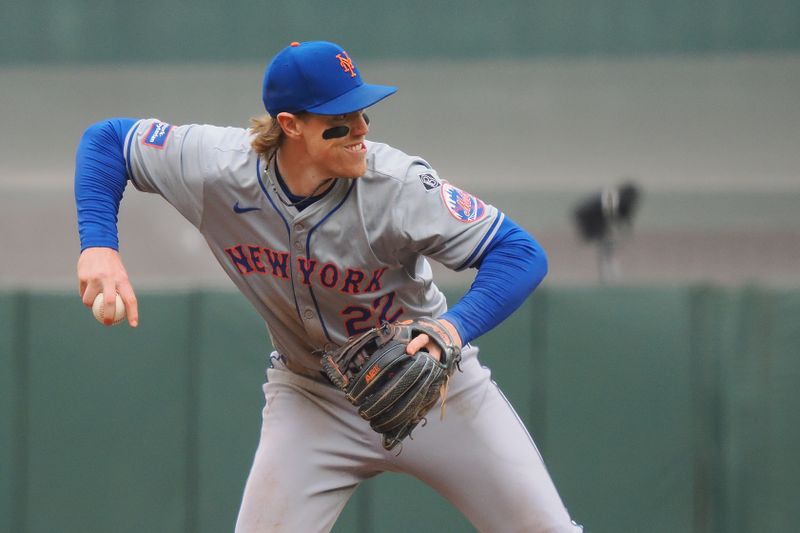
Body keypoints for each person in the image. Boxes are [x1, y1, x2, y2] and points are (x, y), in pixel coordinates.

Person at [75, 40, 583, 532]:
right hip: (311, 398)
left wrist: (454, 327)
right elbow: (107, 139)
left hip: (432, 386)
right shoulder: (216, 167)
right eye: (340, 119)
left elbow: (520, 253)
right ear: (290, 125)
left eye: (364, 111)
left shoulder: (399, 186)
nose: (362, 128)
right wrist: (99, 245)